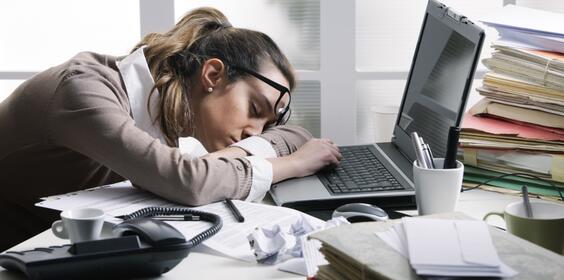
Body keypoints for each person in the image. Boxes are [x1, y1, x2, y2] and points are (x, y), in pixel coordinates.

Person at [0, 7, 341, 251]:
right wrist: (289, 165)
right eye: (255, 109)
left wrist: (235, 154)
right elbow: (188, 181)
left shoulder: (155, 106)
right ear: (212, 75)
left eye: (267, 122)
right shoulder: (83, 91)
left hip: (58, 248)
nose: (257, 130)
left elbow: (298, 136)